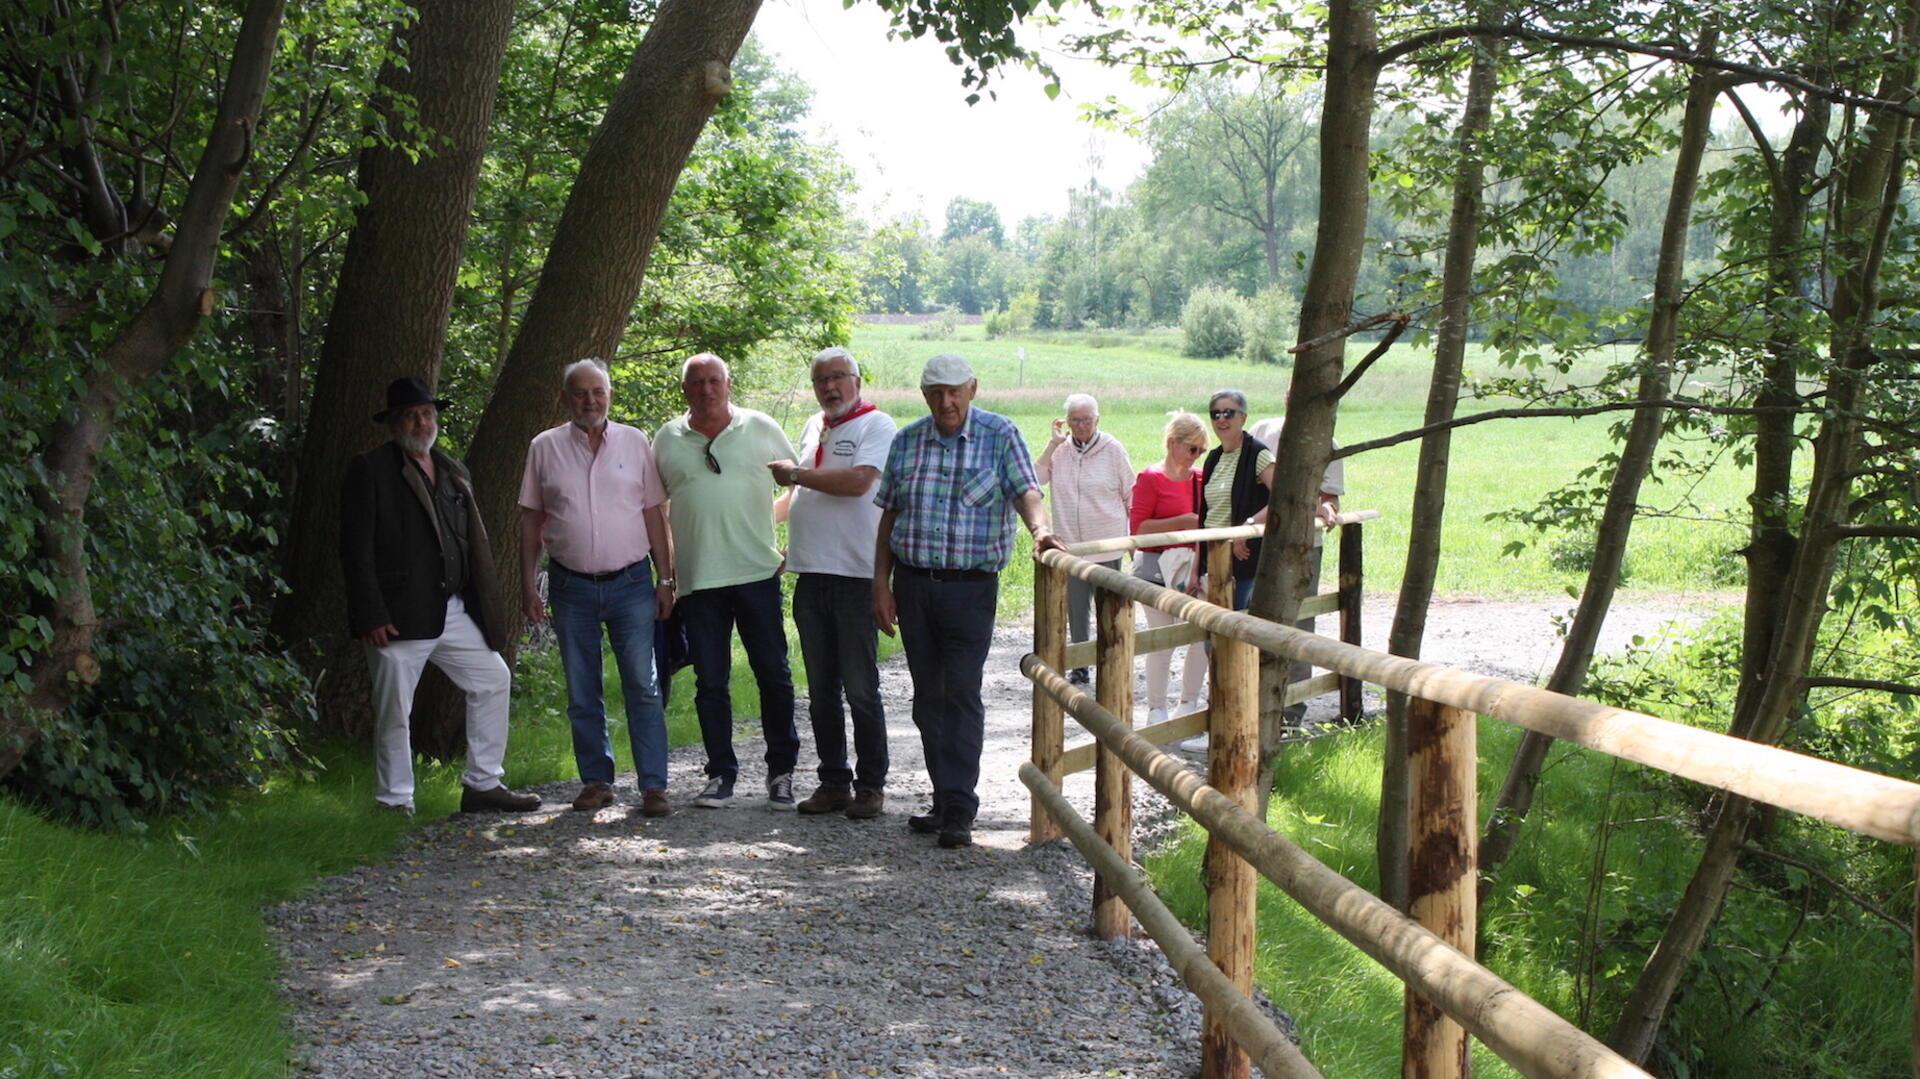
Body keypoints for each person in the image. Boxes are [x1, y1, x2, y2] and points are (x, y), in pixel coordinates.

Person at [872, 354, 1064, 849]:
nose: (946, 401)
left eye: (954, 391)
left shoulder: (1000, 435)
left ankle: (960, 805)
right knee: (926, 697)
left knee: (959, 692)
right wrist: (880, 585)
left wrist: (1042, 532)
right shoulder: (908, 441)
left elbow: (1026, 492)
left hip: (970, 589)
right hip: (914, 586)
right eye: (936, 393)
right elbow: (889, 518)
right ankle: (943, 797)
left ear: (972, 389)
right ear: (924, 395)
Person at [339, 377, 541, 817]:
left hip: (449, 610)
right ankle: (393, 801)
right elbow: (354, 550)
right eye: (411, 414)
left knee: (493, 678)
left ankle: (483, 785)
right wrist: (370, 612)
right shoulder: (370, 469)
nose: (421, 420)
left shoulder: (452, 470)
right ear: (394, 423)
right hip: (395, 616)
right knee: (394, 710)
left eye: (427, 413)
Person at [518, 359, 677, 818]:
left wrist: (666, 579)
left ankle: (653, 786)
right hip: (571, 586)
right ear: (566, 398)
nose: (590, 400)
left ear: (609, 395)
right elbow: (531, 520)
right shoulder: (544, 447)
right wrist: (528, 583)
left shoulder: (634, 441)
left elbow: (653, 513)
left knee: (643, 684)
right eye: (580, 393)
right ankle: (596, 781)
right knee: (582, 688)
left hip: (630, 583)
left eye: (598, 392)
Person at [654, 353, 803, 811]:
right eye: (695, 383)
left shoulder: (759, 428)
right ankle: (721, 774)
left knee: (773, 675)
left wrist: (778, 537)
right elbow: (655, 507)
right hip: (699, 579)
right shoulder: (666, 439)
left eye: (713, 381)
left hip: (756, 572)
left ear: (728, 383)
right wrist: (669, 571)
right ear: (684, 390)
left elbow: (798, 482)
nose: (705, 390)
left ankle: (781, 774)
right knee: (710, 680)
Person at [771, 347, 898, 820]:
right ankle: (832, 782)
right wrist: (765, 535)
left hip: (854, 577)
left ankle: (871, 787)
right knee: (821, 690)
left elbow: (859, 482)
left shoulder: (876, 426)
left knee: (861, 688)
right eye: (821, 379)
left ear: (857, 382)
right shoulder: (814, 425)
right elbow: (798, 495)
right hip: (811, 574)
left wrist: (798, 474)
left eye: (838, 377)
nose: (830, 387)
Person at [1246, 415, 1345, 724]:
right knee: (1251, 616)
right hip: (1259, 539)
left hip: (1303, 543)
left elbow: (1331, 500)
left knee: (1300, 620)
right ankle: (1252, 702)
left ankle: (1291, 713)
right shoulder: (1263, 430)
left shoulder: (1329, 444)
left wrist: (1327, 508)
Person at [1035, 393, 1133, 685]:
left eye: (1086, 420)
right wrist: (1053, 443)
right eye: (1075, 420)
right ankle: (1081, 667)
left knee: (1110, 610)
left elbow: (1131, 493)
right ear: (1067, 421)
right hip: (1072, 548)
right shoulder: (1061, 451)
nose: (1080, 426)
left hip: (1107, 544)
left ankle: (1112, 659)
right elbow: (1035, 478)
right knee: (1076, 613)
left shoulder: (1113, 449)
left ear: (1097, 420)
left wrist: (1132, 541)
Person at [1129, 412, 1210, 725]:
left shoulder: (1201, 479)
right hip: (1155, 567)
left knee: (1199, 635)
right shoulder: (1150, 478)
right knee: (1163, 638)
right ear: (1173, 443)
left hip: (1191, 567)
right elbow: (1138, 528)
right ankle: (1156, 709)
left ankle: (1188, 702)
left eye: (1201, 451)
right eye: (1192, 449)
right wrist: (1182, 524)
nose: (1196, 457)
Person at [1197, 389, 1277, 612]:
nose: (1221, 419)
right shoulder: (1213, 458)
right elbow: (1206, 515)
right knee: (1212, 635)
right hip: (1212, 558)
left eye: (1228, 413)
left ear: (1243, 417)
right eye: (1216, 414)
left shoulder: (1258, 454)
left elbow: (1283, 502)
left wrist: (1248, 526)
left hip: (1243, 561)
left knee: (1237, 635)